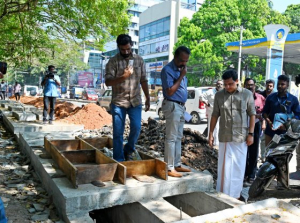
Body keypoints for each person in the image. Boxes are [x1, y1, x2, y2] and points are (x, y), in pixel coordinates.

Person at [209, 69, 256, 199]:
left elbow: (252, 114)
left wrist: (251, 134)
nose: (228, 87)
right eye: (225, 84)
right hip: (225, 137)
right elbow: (214, 115)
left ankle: (235, 195)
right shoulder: (219, 95)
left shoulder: (246, 94)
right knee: (224, 168)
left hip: (241, 137)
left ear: (237, 81)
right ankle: (223, 195)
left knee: (238, 168)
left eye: (230, 84)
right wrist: (211, 134)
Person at [105, 34, 150, 162]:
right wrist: (123, 77)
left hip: (135, 101)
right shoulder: (113, 62)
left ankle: (128, 150)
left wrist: (147, 97)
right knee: (118, 132)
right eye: (123, 49)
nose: (126, 52)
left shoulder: (139, 60)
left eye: (128, 49)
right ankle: (119, 159)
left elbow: (144, 80)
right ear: (118, 47)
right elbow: (108, 82)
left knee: (136, 128)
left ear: (131, 46)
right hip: (119, 102)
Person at [161, 46, 191, 178]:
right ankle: (168, 167)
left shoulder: (181, 69)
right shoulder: (168, 70)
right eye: (182, 60)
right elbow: (169, 91)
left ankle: (177, 164)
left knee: (179, 137)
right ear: (175, 56)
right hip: (172, 105)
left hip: (180, 107)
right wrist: (181, 77)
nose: (184, 63)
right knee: (171, 138)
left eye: (186, 61)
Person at [263, 75, 300, 147]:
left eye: (282, 84)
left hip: (285, 133)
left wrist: (287, 125)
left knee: (281, 155)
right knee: (268, 153)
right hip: (271, 131)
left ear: (287, 85)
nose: (279, 86)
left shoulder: (293, 99)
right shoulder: (271, 97)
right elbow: (264, 112)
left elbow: (298, 115)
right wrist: (269, 122)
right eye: (278, 84)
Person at [243, 78, 266, 186]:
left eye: (251, 85)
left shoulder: (261, 98)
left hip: (256, 125)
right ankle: (243, 174)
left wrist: (261, 118)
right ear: (244, 86)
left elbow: (265, 113)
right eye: (247, 85)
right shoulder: (241, 96)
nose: (250, 87)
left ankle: (251, 175)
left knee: (254, 152)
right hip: (243, 126)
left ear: (255, 86)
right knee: (243, 151)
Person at [199, 80, 223, 145]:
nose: (219, 85)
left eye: (221, 84)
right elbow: (201, 97)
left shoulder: (223, 92)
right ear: (216, 85)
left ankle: (216, 142)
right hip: (212, 111)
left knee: (218, 127)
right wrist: (207, 104)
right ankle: (210, 142)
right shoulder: (210, 92)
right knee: (211, 126)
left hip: (220, 112)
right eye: (218, 84)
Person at [259, 79, 275, 162]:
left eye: (271, 86)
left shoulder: (275, 96)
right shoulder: (260, 95)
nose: (269, 87)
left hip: (272, 122)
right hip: (261, 120)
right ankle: (263, 157)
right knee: (262, 139)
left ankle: (271, 157)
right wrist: (264, 122)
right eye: (267, 85)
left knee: (274, 141)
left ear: (273, 87)